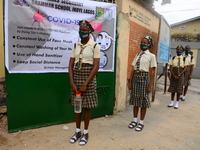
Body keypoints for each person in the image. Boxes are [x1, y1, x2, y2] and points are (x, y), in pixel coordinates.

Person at [68, 20, 100, 146]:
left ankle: (85, 132)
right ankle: (77, 132)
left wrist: (86, 83)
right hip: (77, 77)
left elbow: (96, 66)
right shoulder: (75, 46)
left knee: (86, 107)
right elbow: (70, 65)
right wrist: (72, 82)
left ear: (90, 32)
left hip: (89, 78)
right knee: (77, 106)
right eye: (81, 30)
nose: (82, 32)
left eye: (85, 31)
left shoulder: (94, 46)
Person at [128, 35, 157, 132]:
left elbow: (152, 71)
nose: (142, 44)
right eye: (141, 42)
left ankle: (141, 122)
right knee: (135, 101)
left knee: (143, 102)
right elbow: (132, 68)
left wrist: (150, 85)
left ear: (149, 44)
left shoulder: (151, 56)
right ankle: (134, 120)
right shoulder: (137, 55)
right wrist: (130, 81)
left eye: (145, 43)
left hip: (144, 79)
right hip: (136, 78)